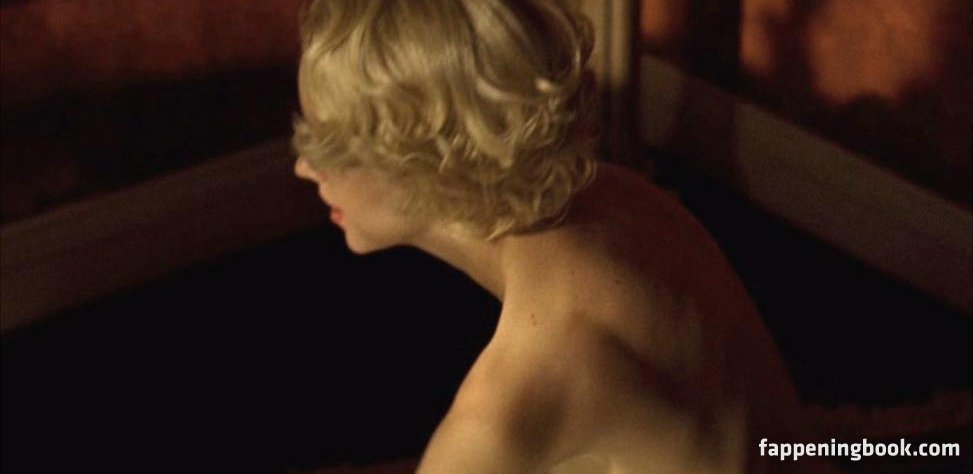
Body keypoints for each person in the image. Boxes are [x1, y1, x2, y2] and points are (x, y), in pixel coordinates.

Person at [292, 1, 836, 472]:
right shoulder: (620, 196)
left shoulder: (503, 412)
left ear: (418, 164)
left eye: (325, 146)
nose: (304, 169)